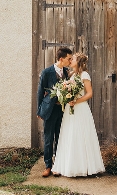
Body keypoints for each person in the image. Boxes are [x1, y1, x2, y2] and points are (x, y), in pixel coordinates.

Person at [52, 52, 105, 177]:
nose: (70, 61)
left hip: (80, 109)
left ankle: (84, 166)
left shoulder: (84, 75)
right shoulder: (72, 74)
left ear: (79, 62)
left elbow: (89, 93)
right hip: (70, 110)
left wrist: (76, 101)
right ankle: (68, 165)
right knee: (69, 135)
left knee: (80, 135)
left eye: (73, 59)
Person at [37, 47, 73, 177]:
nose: (70, 61)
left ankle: (57, 166)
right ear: (61, 59)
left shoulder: (67, 72)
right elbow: (40, 92)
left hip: (62, 109)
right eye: (69, 58)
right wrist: (39, 110)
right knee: (48, 138)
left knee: (60, 137)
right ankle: (48, 166)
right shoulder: (47, 72)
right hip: (49, 109)